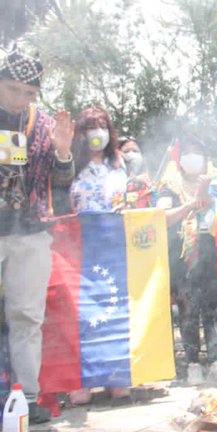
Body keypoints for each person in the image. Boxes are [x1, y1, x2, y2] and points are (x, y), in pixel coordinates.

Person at [0, 49, 74, 423]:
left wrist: (63, 152)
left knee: (27, 316)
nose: (21, 99)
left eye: (29, 93)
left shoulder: (42, 124)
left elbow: (61, 187)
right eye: (13, 90)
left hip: (29, 233)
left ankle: (25, 401)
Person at [158, 135, 217, 385]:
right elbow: (162, 217)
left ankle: (214, 360)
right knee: (187, 308)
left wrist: (208, 196)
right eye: (187, 152)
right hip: (182, 252)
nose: (191, 157)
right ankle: (192, 362)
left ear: (205, 158)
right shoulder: (170, 184)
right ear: (179, 159)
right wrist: (192, 203)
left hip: (211, 251)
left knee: (212, 308)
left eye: (197, 152)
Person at [67, 107, 130, 405]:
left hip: (114, 247)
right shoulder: (71, 164)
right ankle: (81, 381)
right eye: (91, 127)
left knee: (114, 310)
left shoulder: (119, 164)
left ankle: (115, 376)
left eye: (102, 125)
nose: (98, 132)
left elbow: (129, 201)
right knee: (82, 314)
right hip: (80, 247)